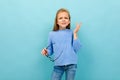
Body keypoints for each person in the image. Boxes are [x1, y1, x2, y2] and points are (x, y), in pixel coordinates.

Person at [41, 8, 82, 80]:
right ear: (57, 21)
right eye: (60, 18)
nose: (63, 20)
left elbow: (77, 48)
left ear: (69, 21)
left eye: (66, 18)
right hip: (58, 65)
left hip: (71, 65)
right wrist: (46, 52)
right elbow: (50, 49)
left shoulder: (72, 32)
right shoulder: (51, 34)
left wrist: (75, 33)